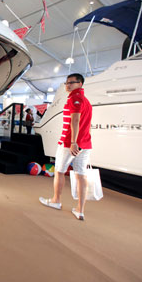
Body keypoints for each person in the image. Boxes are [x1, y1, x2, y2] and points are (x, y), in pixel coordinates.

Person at [39, 73, 93, 220]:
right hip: (85, 143)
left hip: (70, 143)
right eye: (66, 83)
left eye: (72, 82)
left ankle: (56, 200)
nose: (68, 85)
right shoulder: (86, 101)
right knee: (81, 175)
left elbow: (75, 120)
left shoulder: (75, 97)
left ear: (80, 84)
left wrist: (73, 142)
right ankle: (80, 210)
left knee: (59, 171)